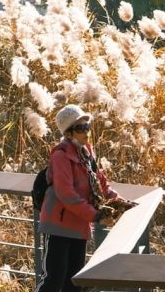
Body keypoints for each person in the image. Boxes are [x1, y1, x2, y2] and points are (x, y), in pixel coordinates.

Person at [36, 104, 136, 292]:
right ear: (68, 133)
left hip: (79, 225)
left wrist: (122, 203)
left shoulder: (86, 153)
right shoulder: (61, 156)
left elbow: (102, 186)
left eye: (87, 126)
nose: (86, 131)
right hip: (58, 225)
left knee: (74, 282)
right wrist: (95, 216)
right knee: (53, 280)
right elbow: (66, 194)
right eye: (81, 128)